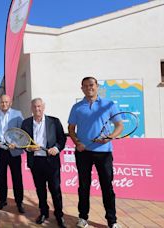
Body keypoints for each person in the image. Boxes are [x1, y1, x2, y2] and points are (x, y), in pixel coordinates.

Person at [68, 76, 124, 228]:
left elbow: (119, 125)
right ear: (82, 89)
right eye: (85, 86)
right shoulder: (77, 107)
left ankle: (112, 221)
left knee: (107, 187)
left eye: (91, 85)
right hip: (83, 152)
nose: (89, 88)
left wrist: (110, 137)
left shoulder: (109, 104)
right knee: (84, 187)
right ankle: (82, 218)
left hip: (104, 152)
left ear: (97, 86)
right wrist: (77, 143)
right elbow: (71, 129)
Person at [21, 98, 67, 228]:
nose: (37, 109)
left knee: (55, 190)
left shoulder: (54, 121)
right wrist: (28, 148)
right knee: (40, 190)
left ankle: (59, 215)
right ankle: (44, 212)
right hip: (36, 162)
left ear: (44, 107)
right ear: (31, 108)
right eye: (35, 107)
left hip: (51, 162)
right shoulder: (26, 123)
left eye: (39, 106)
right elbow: (23, 142)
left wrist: (56, 148)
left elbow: (62, 139)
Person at [0, 94, 25, 214]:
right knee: (1, 178)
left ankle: (19, 202)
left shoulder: (17, 114)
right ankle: (2, 200)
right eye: (2, 102)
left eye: (6, 102)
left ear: (10, 103)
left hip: (13, 151)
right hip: (0, 151)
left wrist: (16, 143)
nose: (4, 104)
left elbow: (22, 132)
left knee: (17, 178)